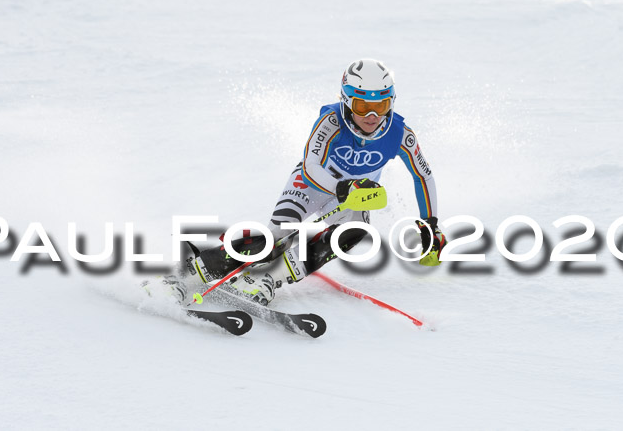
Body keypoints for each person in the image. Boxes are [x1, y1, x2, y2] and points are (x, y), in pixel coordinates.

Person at [170, 59, 447, 306]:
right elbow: (310, 165)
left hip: (353, 197)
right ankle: (189, 274)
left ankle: (267, 279)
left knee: (353, 234)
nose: (372, 117)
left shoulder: (400, 134)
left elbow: (423, 175)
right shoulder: (330, 121)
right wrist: (343, 187)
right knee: (276, 235)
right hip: (313, 184)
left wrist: (431, 224)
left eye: (381, 106)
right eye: (363, 106)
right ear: (347, 101)